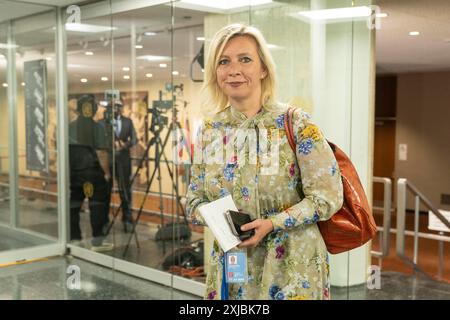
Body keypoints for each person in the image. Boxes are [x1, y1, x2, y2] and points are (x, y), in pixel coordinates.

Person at [186, 24, 343, 300]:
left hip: (293, 267)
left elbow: (327, 197)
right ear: (215, 72)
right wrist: (223, 223)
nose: (234, 69)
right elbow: (193, 201)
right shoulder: (210, 132)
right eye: (224, 61)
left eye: (245, 59)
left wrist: (272, 223)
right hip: (235, 264)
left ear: (263, 69)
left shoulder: (296, 124)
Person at [68, 94, 114, 252]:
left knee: (74, 206)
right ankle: (97, 241)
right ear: (93, 110)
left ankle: (74, 238)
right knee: (97, 206)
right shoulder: (97, 128)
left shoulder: (70, 127)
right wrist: (106, 173)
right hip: (93, 174)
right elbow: (101, 153)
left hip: (75, 174)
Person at [101, 100, 137, 233]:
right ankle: (104, 219)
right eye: (112, 107)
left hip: (124, 161)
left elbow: (134, 139)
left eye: (117, 107)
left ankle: (127, 218)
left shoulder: (128, 122)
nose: (115, 109)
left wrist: (124, 145)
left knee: (125, 190)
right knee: (105, 191)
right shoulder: (102, 123)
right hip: (107, 163)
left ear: (121, 108)